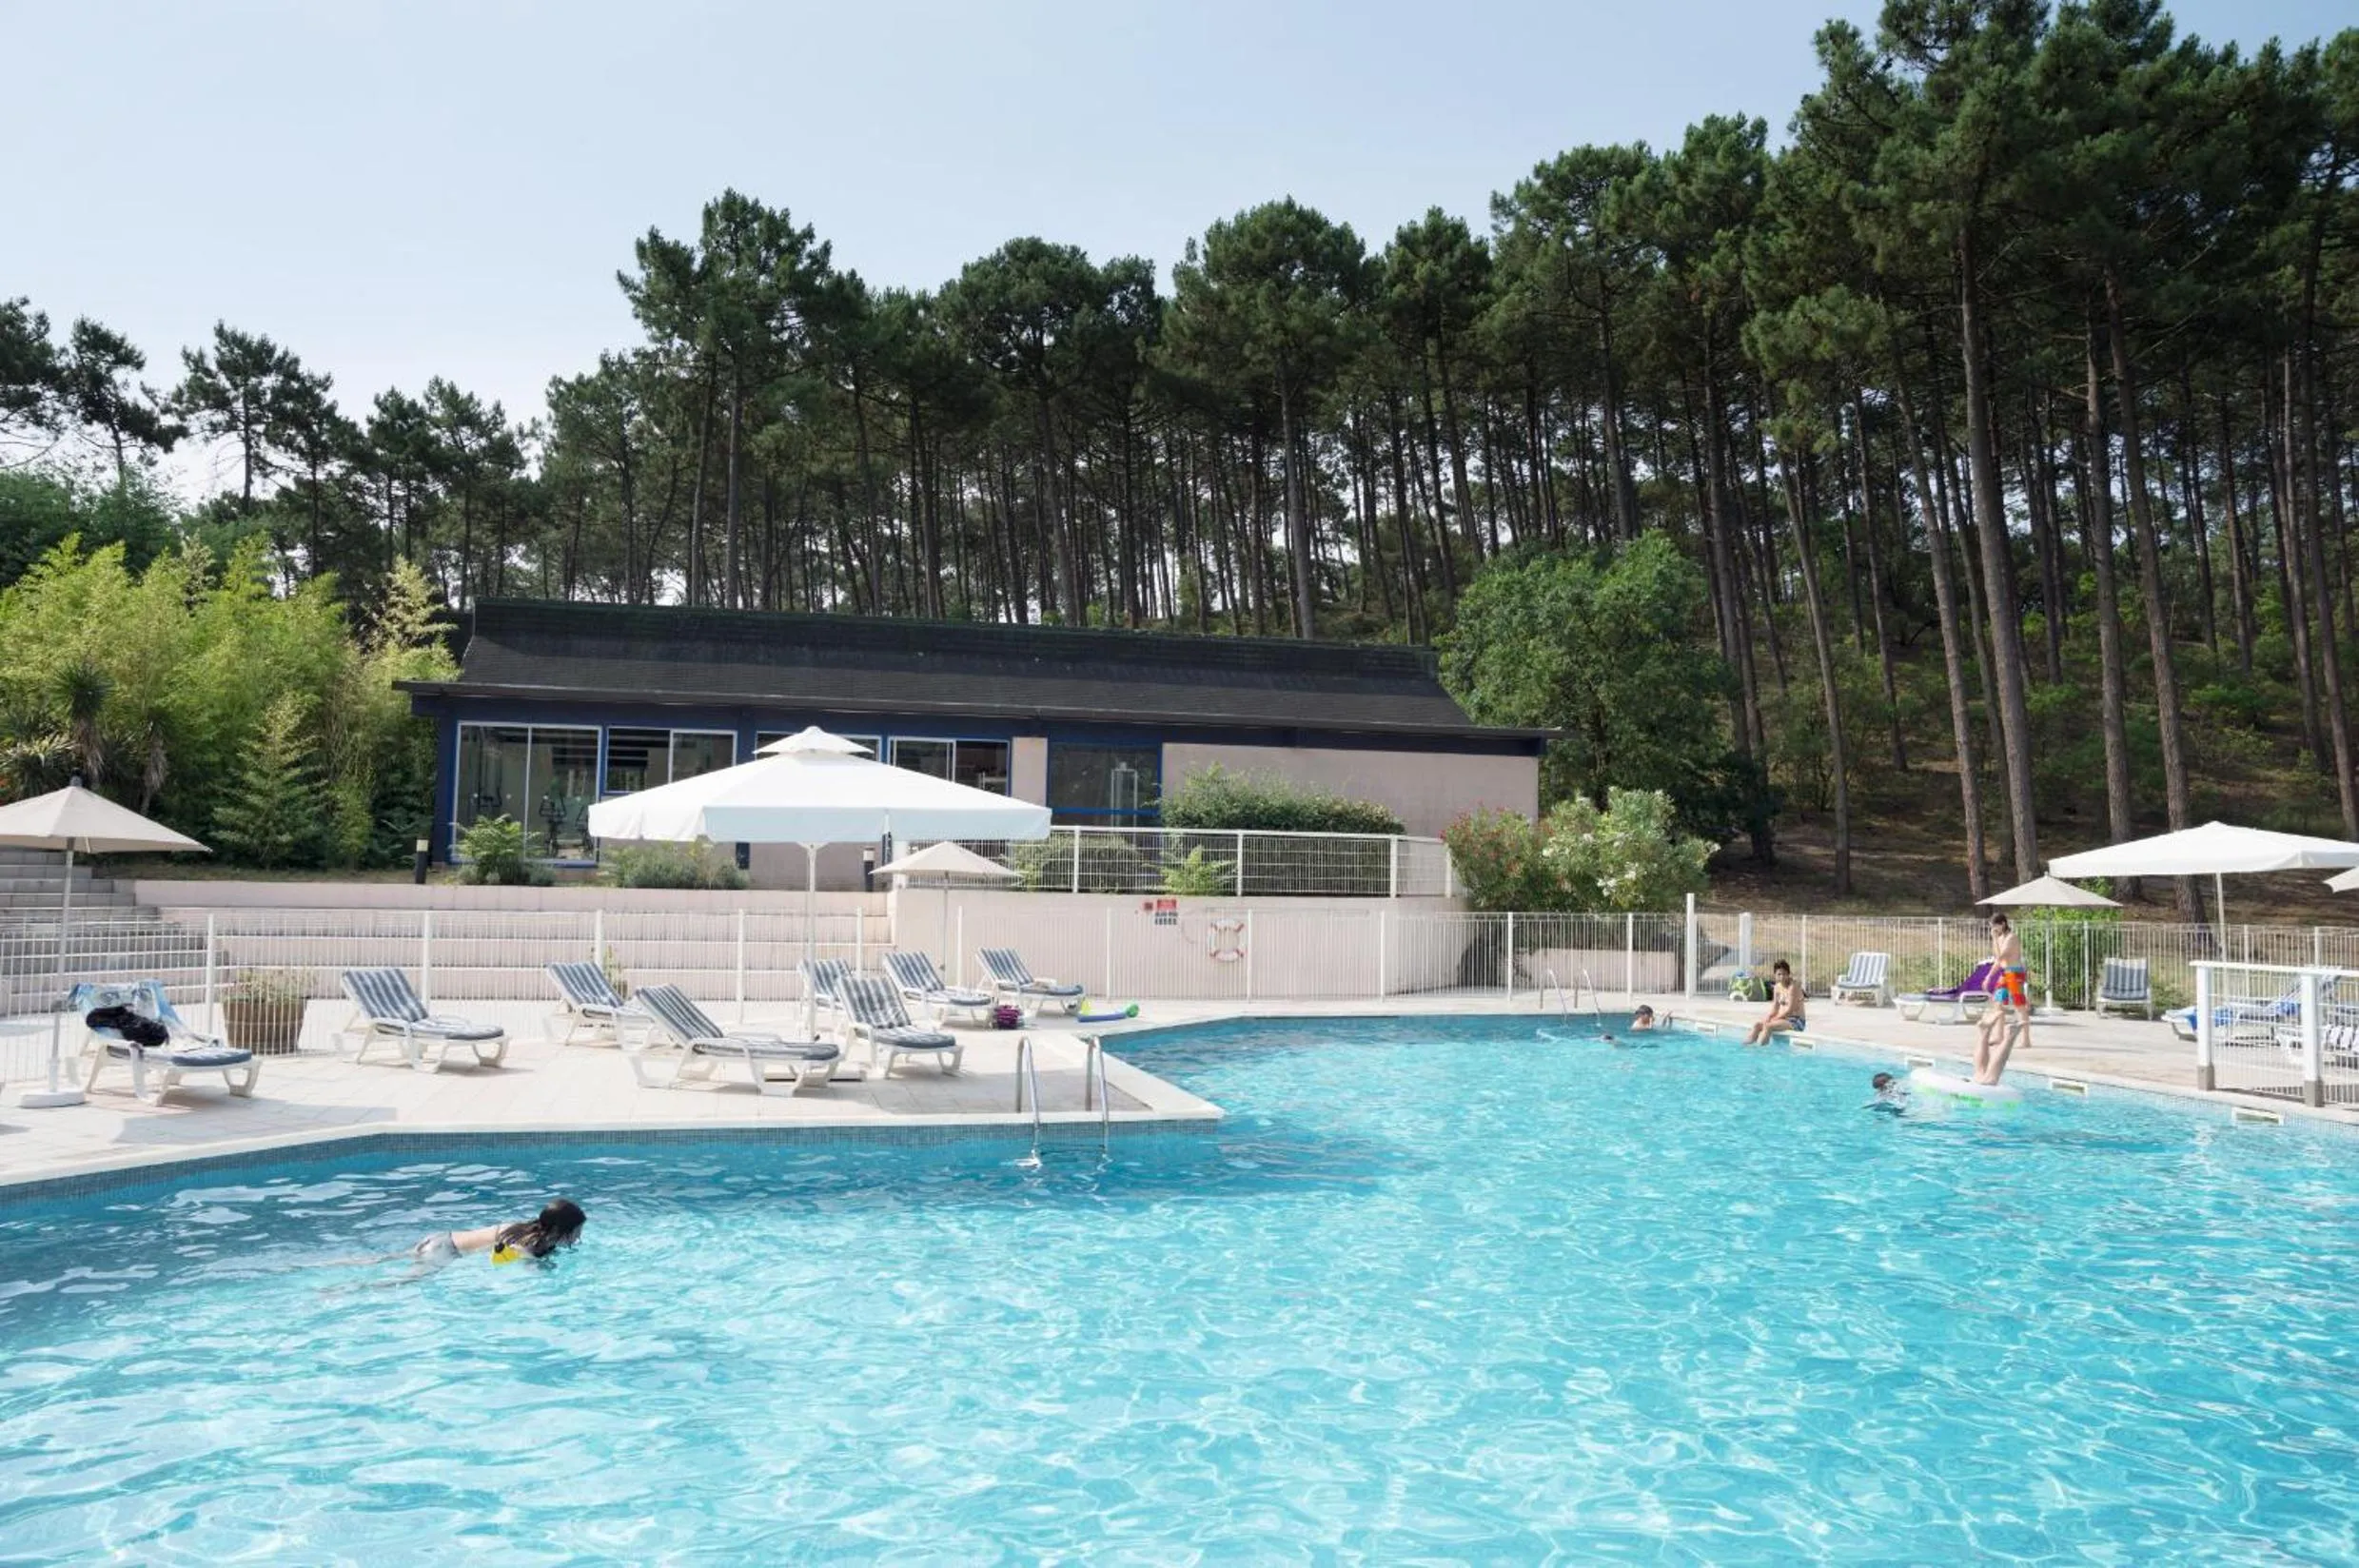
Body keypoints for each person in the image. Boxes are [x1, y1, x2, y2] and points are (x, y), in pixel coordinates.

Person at [412, 1198, 586, 1266]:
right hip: (443, 1251)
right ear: (561, 1230)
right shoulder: (525, 1244)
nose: (579, 1235)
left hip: (440, 1239)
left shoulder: (528, 1229)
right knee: (404, 1281)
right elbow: (503, 1261)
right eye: (577, 1231)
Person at [1975, 913, 2032, 1085]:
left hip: (2014, 973)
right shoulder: (2000, 938)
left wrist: (1994, 940)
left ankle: (2026, 1039)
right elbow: (1997, 962)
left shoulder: (2012, 938)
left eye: (1995, 926)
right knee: (1998, 1004)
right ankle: (1999, 1036)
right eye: (1992, 927)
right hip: (2005, 974)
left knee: (2019, 1006)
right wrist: (1988, 978)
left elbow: (2001, 957)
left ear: (2003, 924)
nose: (1993, 929)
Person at [1743, 960, 1805, 1045]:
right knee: (1757, 1025)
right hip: (1783, 1019)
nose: (1782, 977)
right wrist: (1768, 1018)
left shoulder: (1792, 987)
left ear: (1788, 974)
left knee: (1768, 1027)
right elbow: (1775, 1009)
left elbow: (1790, 1010)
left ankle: (1760, 1052)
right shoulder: (1777, 987)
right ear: (1775, 975)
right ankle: (1745, 1047)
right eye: (1779, 974)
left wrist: (1775, 1019)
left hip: (1796, 1021)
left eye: (1784, 974)